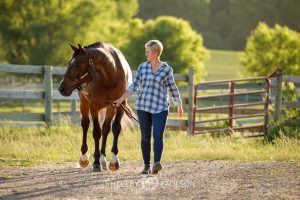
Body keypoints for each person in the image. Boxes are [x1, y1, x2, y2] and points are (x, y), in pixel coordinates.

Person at [113, 40, 183, 174]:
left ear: (156, 53)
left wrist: (178, 103)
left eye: (148, 52)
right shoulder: (142, 67)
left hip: (160, 107)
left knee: (157, 135)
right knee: (145, 137)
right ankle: (146, 166)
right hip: (143, 107)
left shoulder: (166, 70)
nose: (146, 54)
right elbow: (134, 86)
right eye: (146, 51)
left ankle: (156, 163)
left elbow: (172, 87)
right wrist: (121, 99)